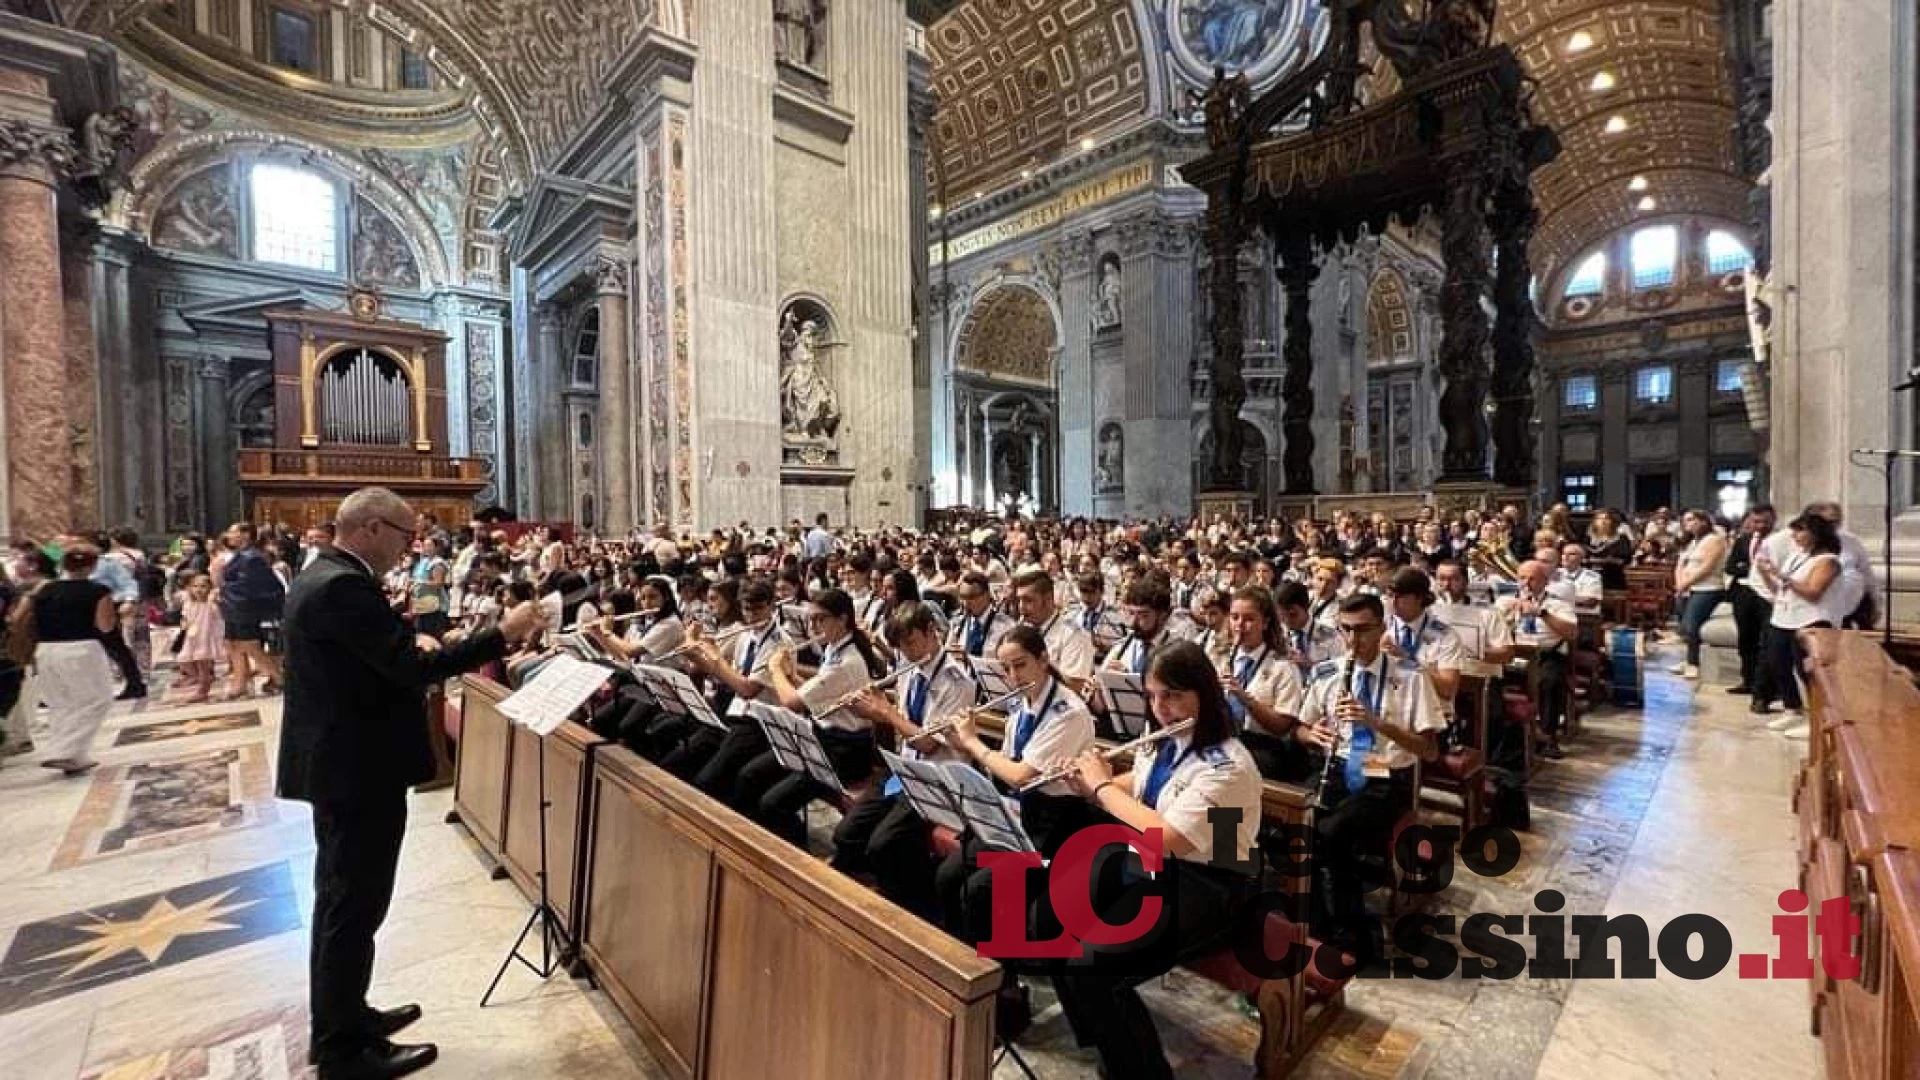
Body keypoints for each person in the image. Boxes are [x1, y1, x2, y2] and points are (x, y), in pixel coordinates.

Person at [277, 487, 541, 1080]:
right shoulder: (343, 586)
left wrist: (402, 643)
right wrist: (503, 632)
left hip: (342, 761)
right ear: (370, 528)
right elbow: (410, 669)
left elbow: (376, 658)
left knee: (344, 901)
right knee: (353, 906)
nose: (409, 547)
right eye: (403, 535)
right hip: (356, 766)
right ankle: (344, 1051)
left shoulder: (322, 573)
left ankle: (346, 1016)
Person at [1048, 640, 1265, 1080]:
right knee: (1052, 915)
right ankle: (1109, 1042)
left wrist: (1100, 789)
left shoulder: (1228, 767)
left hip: (1212, 886)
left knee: (1092, 967)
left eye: (1173, 695)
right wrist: (1089, 782)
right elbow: (1148, 786)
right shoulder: (1166, 739)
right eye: (1152, 695)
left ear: (1203, 694)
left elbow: (1167, 838)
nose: (1160, 707)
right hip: (1156, 865)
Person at [1293, 594, 1443, 963]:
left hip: (1387, 777)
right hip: (1339, 767)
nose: (1353, 639)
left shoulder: (1410, 677)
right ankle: (1314, 924)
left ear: (1382, 627)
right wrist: (1312, 735)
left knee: (1331, 834)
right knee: (1299, 824)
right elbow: (1299, 727)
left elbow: (1429, 750)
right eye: (1345, 629)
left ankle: (1353, 935)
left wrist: (1376, 722)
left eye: (1362, 630)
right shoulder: (1327, 672)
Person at [835, 602, 977, 917]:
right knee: (846, 835)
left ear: (931, 632)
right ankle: (876, 898)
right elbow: (900, 728)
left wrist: (886, 712)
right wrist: (868, 710)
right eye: (900, 646)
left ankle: (913, 911)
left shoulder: (958, 682)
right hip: (902, 773)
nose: (907, 652)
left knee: (883, 845)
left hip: (935, 780)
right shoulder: (909, 671)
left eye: (911, 642)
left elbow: (928, 743)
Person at [728, 588, 885, 845]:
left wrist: (776, 669)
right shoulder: (836, 649)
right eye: (811, 619)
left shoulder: (847, 661)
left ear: (843, 619)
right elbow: (816, 694)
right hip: (823, 737)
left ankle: (795, 859)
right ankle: (755, 842)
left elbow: (792, 703)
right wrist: (790, 676)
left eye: (819, 619)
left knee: (773, 803)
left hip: (843, 751)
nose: (813, 626)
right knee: (750, 774)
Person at [1753, 513, 1848, 741]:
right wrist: (1767, 575)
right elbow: (1781, 590)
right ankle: (1791, 708)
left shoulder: (1828, 561)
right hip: (1784, 617)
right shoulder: (1798, 556)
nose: (1794, 535)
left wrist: (1779, 574)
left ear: (1816, 534)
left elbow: (1813, 592)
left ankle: (1816, 719)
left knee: (1807, 672)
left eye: (1800, 530)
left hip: (1811, 620)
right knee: (1778, 664)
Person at [31, 545, 119, 776]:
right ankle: (63, 750)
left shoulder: (44, 589)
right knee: (97, 700)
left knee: (61, 703)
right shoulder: (98, 590)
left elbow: (24, 618)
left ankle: (75, 755)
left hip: (46, 649)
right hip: (81, 648)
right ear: (92, 566)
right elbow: (105, 626)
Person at [1500, 561, 1578, 759]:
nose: (1526, 583)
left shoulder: (1558, 603)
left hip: (1546, 653)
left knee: (1549, 681)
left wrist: (1541, 613)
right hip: (1514, 652)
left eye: (1532, 578)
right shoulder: (1506, 600)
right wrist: (1505, 615)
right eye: (1522, 578)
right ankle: (1505, 734)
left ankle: (1547, 735)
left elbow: (1571, 632)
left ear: (1545, 581)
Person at [1723, 505, 1777, 698]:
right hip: (1744, 593)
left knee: (1767, 640)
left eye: (1765, 521)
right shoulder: (1743, 541)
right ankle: (1748, 680)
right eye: (1756, 521)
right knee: (1746, 638)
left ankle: (1767, 686)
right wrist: (1751, 568)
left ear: (1773, 521)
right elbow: (1730, 567)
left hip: (1768, 594)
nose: (1760, 526)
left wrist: (1750, 568)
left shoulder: (1777, 541)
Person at [1670, 509, 1729, 680]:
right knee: (1684, 626)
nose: (1687, 524)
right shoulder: (1692, 542)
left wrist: (1686, 583)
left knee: (1693, 624)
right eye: (1685, 520)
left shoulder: (1715, 540)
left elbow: (1707, 567)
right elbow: (1681, 563)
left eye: (1691, 520)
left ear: (1703, 521)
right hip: (1688, 588)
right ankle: (1688, 659)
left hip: (1708, 588)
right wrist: (1680, 584)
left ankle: (1693, 663)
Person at [172, 572, 225, 704]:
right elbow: (185, 617)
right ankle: (199, 680)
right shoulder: (189, 603)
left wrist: (214, 598)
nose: (199, 589)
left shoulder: (210, 605)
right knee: (184, 661)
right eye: (195, 586)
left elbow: (217, 617)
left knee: (203, 666)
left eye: (203, 586)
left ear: (209, 588)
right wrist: (184, 624)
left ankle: (203, 690)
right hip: (192, 638)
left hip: (205, 639)